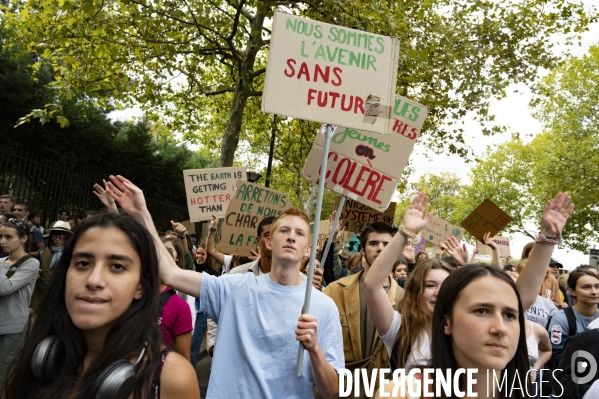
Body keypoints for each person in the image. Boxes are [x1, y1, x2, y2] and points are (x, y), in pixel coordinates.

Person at [105, 175, 343, 398]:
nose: (292, 237)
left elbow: (332, 390)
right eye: (284, 230)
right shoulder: (234, 288)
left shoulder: (323, 306)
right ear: (269, 242)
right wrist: (141, 214)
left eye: (300, 233)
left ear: (308, 249)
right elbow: (170, 272)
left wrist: (313, 349)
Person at [372, 191, 572, 398]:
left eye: (510, 315)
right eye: (481, 311)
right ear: (447, 322)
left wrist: (547, 239)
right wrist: (405, 233)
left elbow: (520, 295)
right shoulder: (403, 390)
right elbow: (373, 285)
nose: (500, 328)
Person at [4, 212, 199, 398]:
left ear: (140, 286)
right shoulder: (32, 361)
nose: (94, 280)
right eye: (83, 263)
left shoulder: (172, 379)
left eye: (117, 266)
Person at [323, 222, 405, 397]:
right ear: (362, 249)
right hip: (341, 389)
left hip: (383, 390)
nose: (380, 249)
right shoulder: (335, 291)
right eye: (373, 243)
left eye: (386, 245)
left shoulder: (406, 300)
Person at [0, 219, 39, 396]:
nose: (2, 241)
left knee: (2, 375)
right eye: (1, 237)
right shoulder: (1, 262)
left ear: (23, 238)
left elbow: (5, 288)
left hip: (12, 328)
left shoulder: (30, 263)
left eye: (8, 237)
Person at [548, 269, 599, 369]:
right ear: (572, 291)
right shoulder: (561, 319)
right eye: (586, 287)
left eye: (597, 286)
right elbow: (555, 356)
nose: (594, 292)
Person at [29, 220, 72, 312]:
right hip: (41, 290)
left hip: (60, 291)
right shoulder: (45, 251)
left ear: (67, 238)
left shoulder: (71, 254)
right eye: (54, 236)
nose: (57, 239)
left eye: (61, 237)